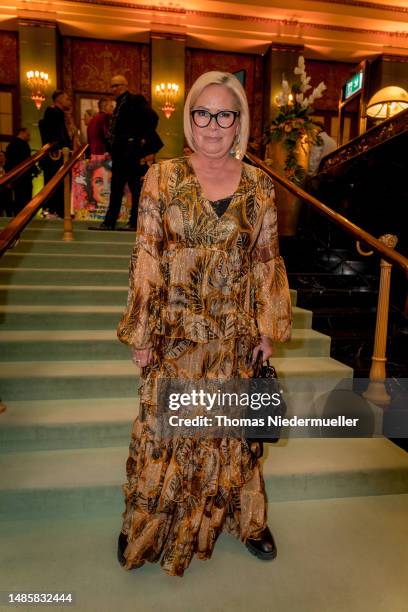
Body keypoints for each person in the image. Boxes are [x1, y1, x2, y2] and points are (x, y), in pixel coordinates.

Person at [116, 71, 292, 576]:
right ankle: (147, 523)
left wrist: (265, 329)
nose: (213, 125)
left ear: (239, 123)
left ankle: (247, 519)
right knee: (163, 433)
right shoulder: (161, 176)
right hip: (174, 336)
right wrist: (143, 333)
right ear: (190, 118)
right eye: (203, 113)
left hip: (233, 337)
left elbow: (265, 259)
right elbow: (146, 256)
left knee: (232, 437)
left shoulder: (259, 184)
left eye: (225, 114)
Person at [89, 74, 163, 231]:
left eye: (117, 85)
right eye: (112, 86)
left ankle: (132, 222)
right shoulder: (119, 104)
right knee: (118, 188)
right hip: (120, 154)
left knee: (135, 189)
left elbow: (153, 117)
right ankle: (110, 222)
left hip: (130, 153)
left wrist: (137, 138)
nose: (114, 89)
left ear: (125, 85)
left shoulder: (134, 100)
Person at [39, 90, 72, 218]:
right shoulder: (52, 112)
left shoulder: (59, 114)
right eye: (67, 99)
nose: (69, 101)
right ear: (58, 100)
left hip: (60, 153)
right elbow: (55, 135)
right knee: (54, 182)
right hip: (56, 155)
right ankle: (51, 210)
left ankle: (58, 210)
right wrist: (62, 148)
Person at [4, 128, 37, 215]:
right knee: (25, 197)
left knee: (18, 197)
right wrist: (35, 170)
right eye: (27, 134)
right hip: (24, 176)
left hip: (15, 176)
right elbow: (28, 160)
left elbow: (8, 163)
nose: (29, 136)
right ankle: (24, 216)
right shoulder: (23, 145)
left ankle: (17, 216)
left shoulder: (11, 145)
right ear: (21, 133)